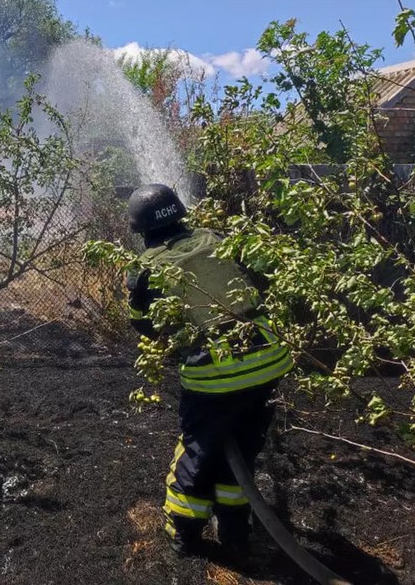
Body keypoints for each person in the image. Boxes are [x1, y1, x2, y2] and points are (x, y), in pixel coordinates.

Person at [125, 183, 292, 558]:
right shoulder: (216, 237)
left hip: (214, 373)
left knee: (198, 450)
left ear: (141, 230)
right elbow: (255, 282)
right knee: (242, 445)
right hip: (267, 360)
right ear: (182, 214)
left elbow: (143, 323)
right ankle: (235, 533)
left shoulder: (144, 268)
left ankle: (184, 532)